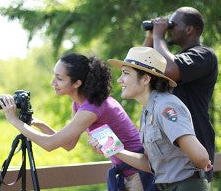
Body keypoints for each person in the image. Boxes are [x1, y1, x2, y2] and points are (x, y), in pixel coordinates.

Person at [0, 52, 158, 191]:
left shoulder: (92, 107)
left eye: (59, 78)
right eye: (54, 76)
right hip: (126, 173)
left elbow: (50, 144)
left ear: (77, 83)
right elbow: (68, 144)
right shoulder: (79, 104)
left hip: (138, 174)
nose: (52, 83)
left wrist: (14, 120)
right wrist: (39, 123)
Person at [89, 47, 213, 190]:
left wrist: (202, 164)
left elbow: (202, 157)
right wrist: (114, 150)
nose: (119, 80)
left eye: (125, 73)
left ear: (146, 78)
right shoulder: (147, 111)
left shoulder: (166, 106)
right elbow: (149, 163)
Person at [142, 6, 218, 183]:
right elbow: (139, 69)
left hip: (193, 153)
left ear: (189, 29)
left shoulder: (204, 55)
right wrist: (151, 36)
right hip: (169, 160)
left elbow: (170, 69)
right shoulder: (171, 57)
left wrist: (160, 36)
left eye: (172, 24)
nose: (168, 28)